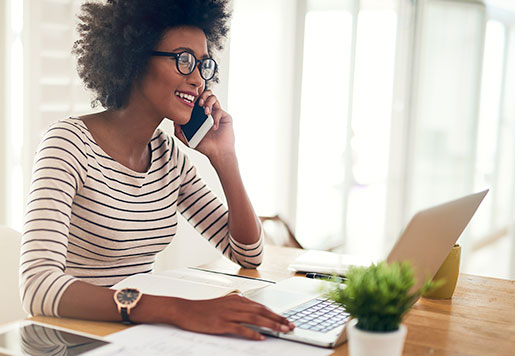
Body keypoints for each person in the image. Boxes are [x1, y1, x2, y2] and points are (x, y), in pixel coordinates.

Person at [20, 0, 294, 341]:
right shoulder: (68, 144)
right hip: (75, 340)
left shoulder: (168, 157)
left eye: (203, 64)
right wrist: (178, 310)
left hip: (138, 336)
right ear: (133, 59)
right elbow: (37, 288)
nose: (197, 79)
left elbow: (247, 254)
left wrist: (225, 158)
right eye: (183, 60)